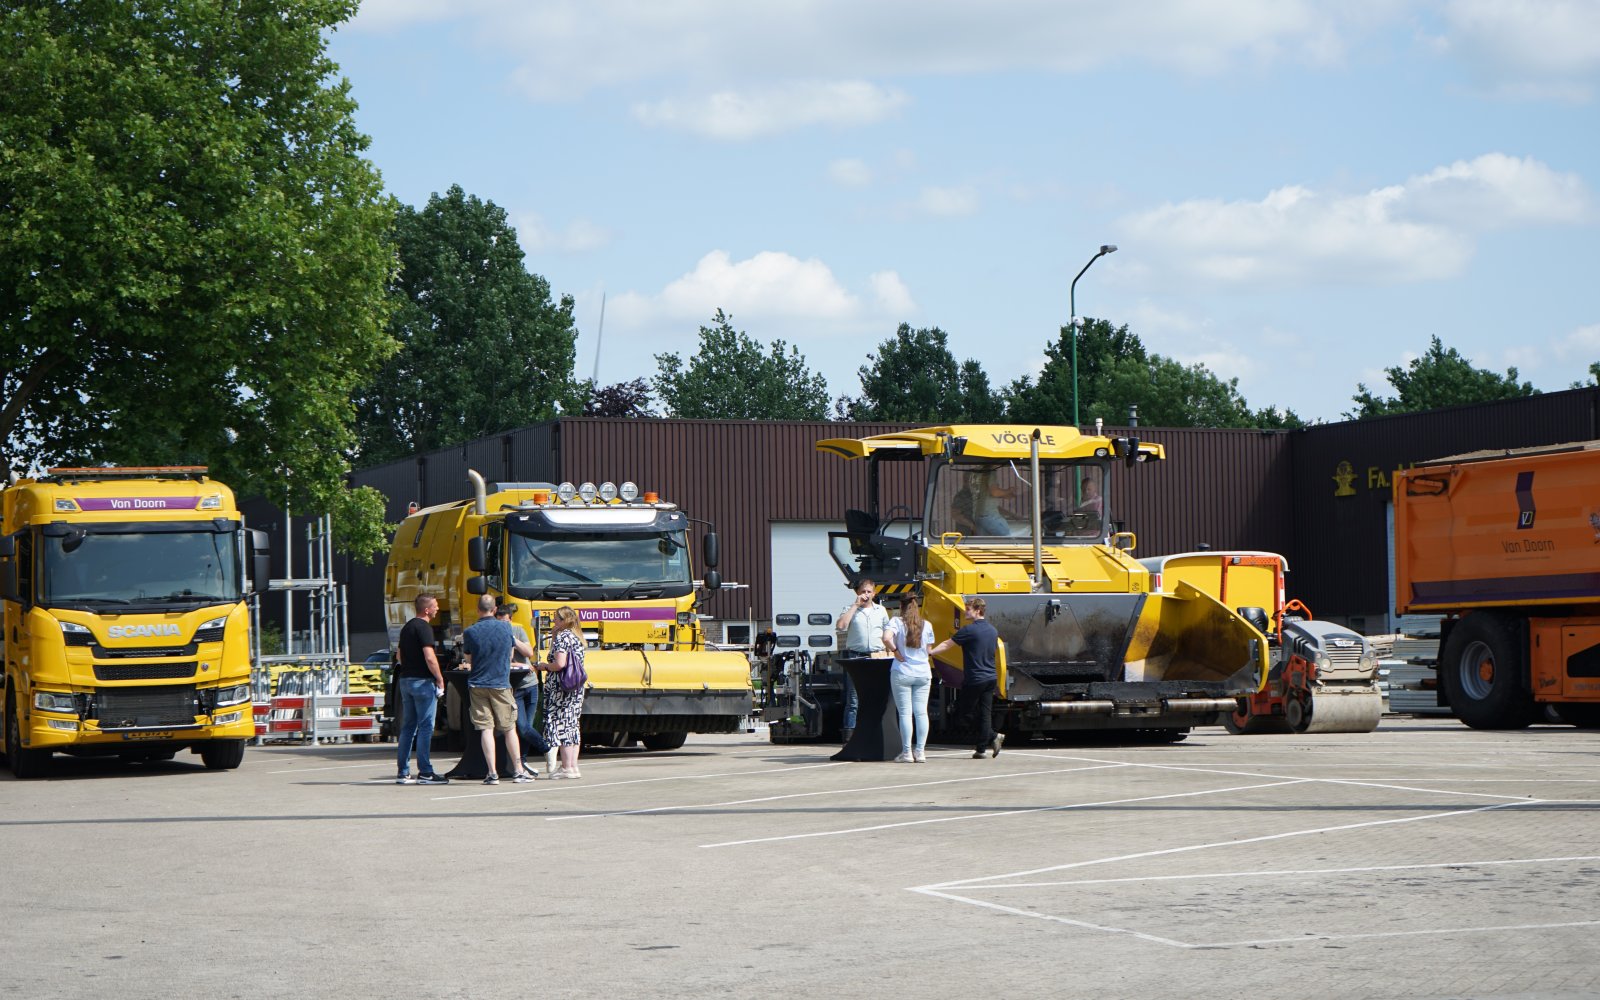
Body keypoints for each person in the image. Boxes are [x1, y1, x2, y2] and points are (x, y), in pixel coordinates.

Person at [459, 593, 536, 785]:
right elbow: (510, 654)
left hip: (477, 683)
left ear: (478, 610)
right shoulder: (506, 628)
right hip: (501, 684)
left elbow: (469, 659)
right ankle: (518, 770)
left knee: (486, 728)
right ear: (494, 610)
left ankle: (492, 773)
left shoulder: (470, 631)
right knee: (509, 728)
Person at [930, 597, 1003, 759]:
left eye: (968, 609)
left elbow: (947, 644)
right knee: (985, 713)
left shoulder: (969, 630)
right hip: (991, 678)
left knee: (963, 713)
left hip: (975, 678)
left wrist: (930, 652)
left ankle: (991, 736)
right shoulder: (993, 630)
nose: (965, 611)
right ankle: (982, 749)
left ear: (977, 611)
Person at [394, 594, 449, 785]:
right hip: (423, 682)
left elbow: (399, 654)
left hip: (406, 680)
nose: (437, 609)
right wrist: (440, 679)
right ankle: (425, 772)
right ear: (426, 609)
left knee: (408, 727)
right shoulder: (424, 628)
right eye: (435, 606)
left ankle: (403, 772)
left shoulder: (407, 627)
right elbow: (430, 657)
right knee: (426, 727)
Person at [531, 605, 586, 779]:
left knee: (562, 724)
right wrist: (554, 636)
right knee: (572, 724)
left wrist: (544, 666)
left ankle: (566, 767)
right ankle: (573, 766)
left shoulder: (563, 637)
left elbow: (560, 664)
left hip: (560, 687)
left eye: (556, 618)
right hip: (575, 687)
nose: (553, 621)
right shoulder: (577, 637)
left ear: (563, 621)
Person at [497, 602, 552, 777]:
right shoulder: (496, 634)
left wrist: (514, 640)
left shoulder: (518, 631)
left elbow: (529, 652)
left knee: (527, 726)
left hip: (531, 684)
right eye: (500, 622)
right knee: (522, 727)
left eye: (506, 622)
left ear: (510, 620)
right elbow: (505, 660)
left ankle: (524, 760)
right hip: (515, 688)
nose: (503, 626)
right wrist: (516, 663)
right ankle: (546, 748)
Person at [835, 578, 890, 742]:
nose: (866, 595)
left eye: (869, 592)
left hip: (877, 656)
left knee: (878, 696)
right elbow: (841, 626)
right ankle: (850, 737)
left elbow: (888, 633)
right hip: (856, 656)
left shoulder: (881, 610)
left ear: (874, 593)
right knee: (854, 699)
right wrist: (855, 606)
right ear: (858, 593)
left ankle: (876, 733)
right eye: (863, 591)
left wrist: (890, 653)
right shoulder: (849, 609)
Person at [882, 594, 934, 763]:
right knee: (921, 712)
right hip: (923, 673)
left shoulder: (896, 622)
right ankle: (920, 752)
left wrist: (895, 651)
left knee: (905, 713)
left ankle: (907, 753)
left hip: (903, 671)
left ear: (901, 606)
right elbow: (929, 650)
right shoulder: (927, 625)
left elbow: (886, 638)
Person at [972, 469, 1012, 536]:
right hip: (988, 515)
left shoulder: (978, 472)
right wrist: (1009, 490)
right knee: (1008, 539)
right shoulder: (990, 471)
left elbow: (987, 494)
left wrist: (1003, 494)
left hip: (978, 515)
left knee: (984, 543)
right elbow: (994, 492)